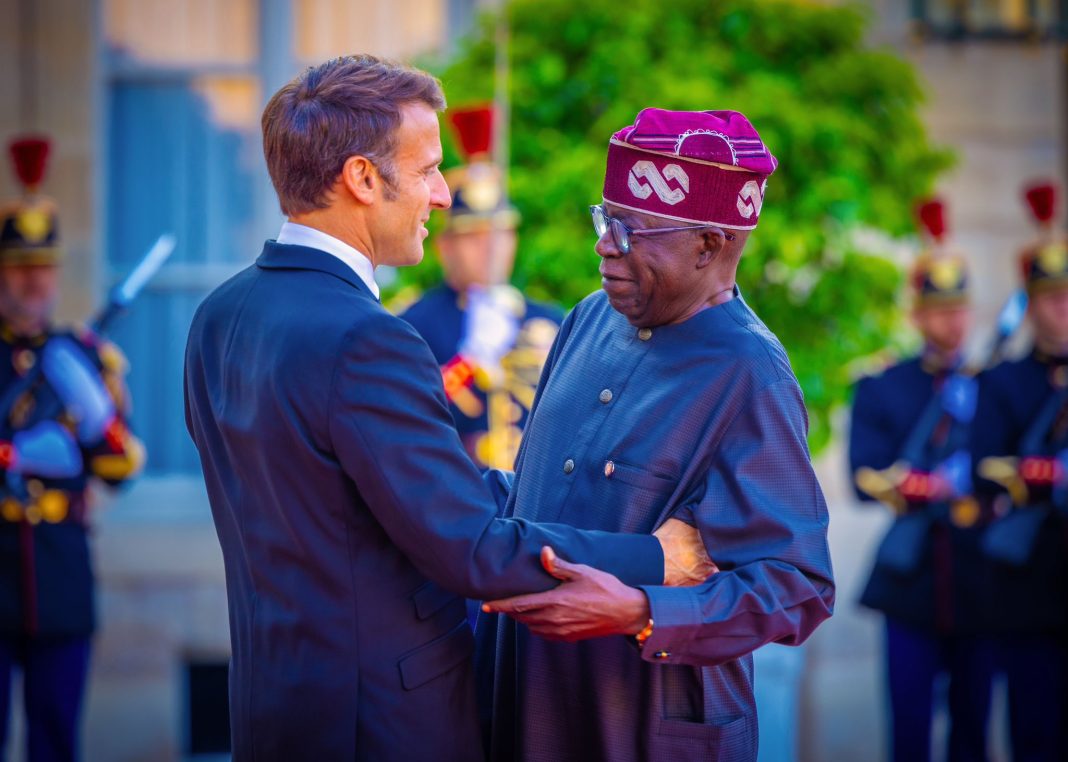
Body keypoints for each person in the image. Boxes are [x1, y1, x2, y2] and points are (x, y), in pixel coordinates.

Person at [183, 56, 712, 761]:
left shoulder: (219, 315)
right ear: (363, 180)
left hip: (276, 709)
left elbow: (382, 502)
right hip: (383, 726)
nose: (440, 196)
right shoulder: (367, 339)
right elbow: (468, 548)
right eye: (429, 169)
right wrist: (655, 556)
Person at [478, 108, 835, 762]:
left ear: (709, 245)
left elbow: (797, 585)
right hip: (524, 705)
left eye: (631, 230)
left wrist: (643, 612)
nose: (604, 246)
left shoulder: (751, 374)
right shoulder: (588, 319)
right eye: (603, 219)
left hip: (642, 730)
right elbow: (533, 495)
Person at [0, 136, 144, 762]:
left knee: (56, 739)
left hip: (59, 577)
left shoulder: (83, 357)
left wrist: (95, 418)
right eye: (22, 269)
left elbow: (120, 468)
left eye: (46, 269)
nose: (36, 282)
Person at [849, 199, 994, 762]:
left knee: (974, 731)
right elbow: (866, 478)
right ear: (917, 315)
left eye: (958, 309)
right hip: (912, 581)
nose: (951, 322)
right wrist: (934, 485)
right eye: (938, 309)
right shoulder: (885, 385)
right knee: (909, 731)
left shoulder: (990, 385)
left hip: (980, 580)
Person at [401, 104, 562, 472]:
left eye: (501, 234)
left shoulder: (549, 321)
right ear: (445, 247)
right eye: (474, 236)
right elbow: (407, 421)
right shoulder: (413, 325)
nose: (491, 247)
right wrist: (470, 361)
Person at [972, 181, 1068, 762]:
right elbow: (985, 467)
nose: (1063, 308)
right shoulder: (1003, 381)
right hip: (1030, 581)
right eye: (1053, 298)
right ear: (1031, 304)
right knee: (1034, 728)